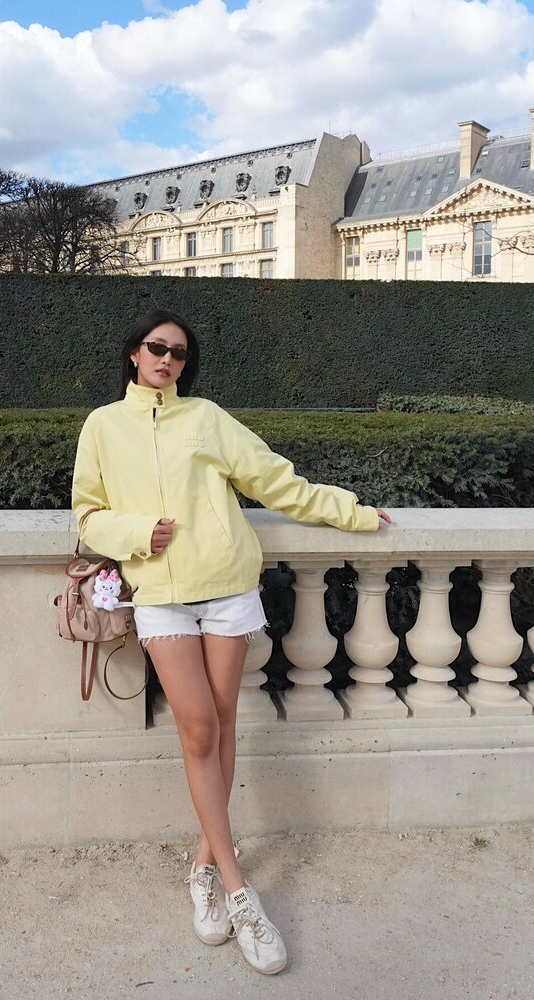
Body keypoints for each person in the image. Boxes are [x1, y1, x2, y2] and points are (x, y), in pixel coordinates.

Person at [71, 309, 392, 976]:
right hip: (160, 595)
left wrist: (355, 513)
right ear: (133, 353)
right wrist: (137, 533)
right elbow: (88, 516)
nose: (167, 359)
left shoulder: (207, 418)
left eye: (179, 353)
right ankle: (241, 892)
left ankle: (202, 867)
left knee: (221, 722)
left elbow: (277, 482)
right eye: (156, 348)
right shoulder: (102, 425)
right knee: (196, 728)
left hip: (226, 590)